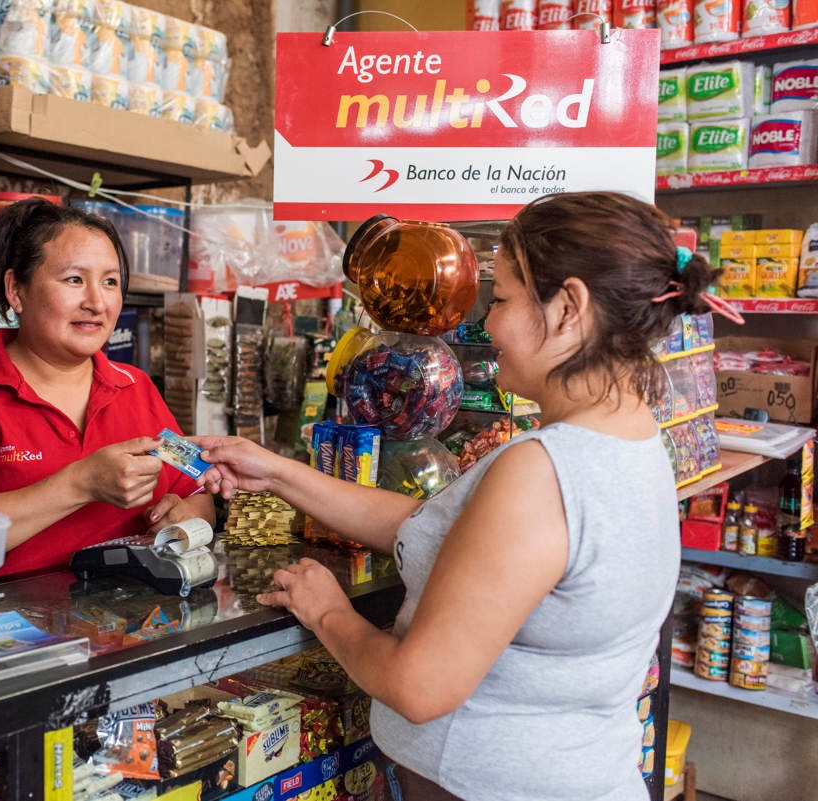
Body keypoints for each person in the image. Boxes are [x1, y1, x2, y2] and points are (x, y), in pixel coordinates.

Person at [195, 192, 736, 801]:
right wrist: (277, 473)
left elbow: (418, 687)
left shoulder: (542, 471)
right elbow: (444, 530)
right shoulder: (632, 441)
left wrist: (328, 612)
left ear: (568, 308)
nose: (484, 323)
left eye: (501, 298)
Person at [0, 199, 214, 578]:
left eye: (110, 282)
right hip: (6, 625)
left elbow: (197, 493)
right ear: (16, 291)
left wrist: (185, 519)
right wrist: (81, 482)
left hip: (130, 623)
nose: (96, 302)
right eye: (74, 279)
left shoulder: (136, 387)